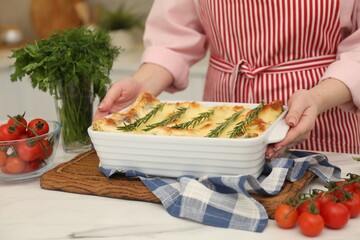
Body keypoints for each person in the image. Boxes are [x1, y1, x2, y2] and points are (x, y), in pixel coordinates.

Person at [94, 0, 360, 159]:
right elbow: (174, 36)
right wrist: (142, 86)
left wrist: (318, 98)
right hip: (220, 127)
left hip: (322, 116)